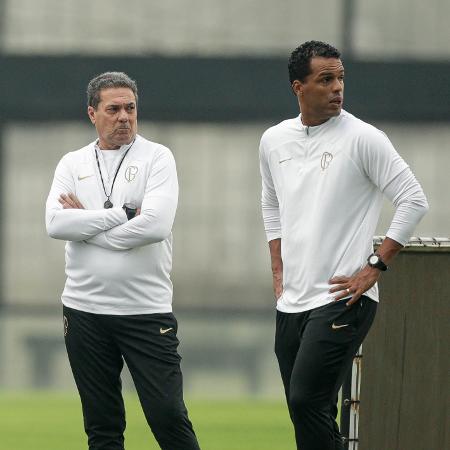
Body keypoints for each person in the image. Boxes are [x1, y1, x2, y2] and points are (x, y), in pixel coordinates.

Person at [258, 41, 428, 450]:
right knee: (307, 412)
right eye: (326, 79)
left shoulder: (364, 138)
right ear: (299, 87)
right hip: (292, 303)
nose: (338, 88)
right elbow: (270, 200)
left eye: (341, 78)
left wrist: (374, 267)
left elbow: (414, 200)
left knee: (306, 402)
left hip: (343, 298)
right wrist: (277, 263)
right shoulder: (273, 140)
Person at [46, 72, 200, 450]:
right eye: (113, 109)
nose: (124, 117)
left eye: (130, 108)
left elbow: (155, 227)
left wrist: (87, 227)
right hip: (84, 311)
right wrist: (123, 214)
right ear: (92, 114)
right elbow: (55, 223)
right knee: (102, 425)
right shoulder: (72, 162)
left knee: (168, 416)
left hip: (145, 312)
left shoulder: (158, 157)